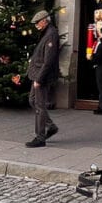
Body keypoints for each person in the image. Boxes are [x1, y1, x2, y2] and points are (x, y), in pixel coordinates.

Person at [25, 9, 60, 147]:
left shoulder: (51, 35)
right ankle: (50, 126)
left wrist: (39, 80)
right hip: (37, 74)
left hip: (42, 76)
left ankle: (40, 137)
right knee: (32, 100)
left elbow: (49, 61)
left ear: (45, 20)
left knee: (39, 105)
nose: (36, 25)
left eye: (38, 23)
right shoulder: (46, 33)